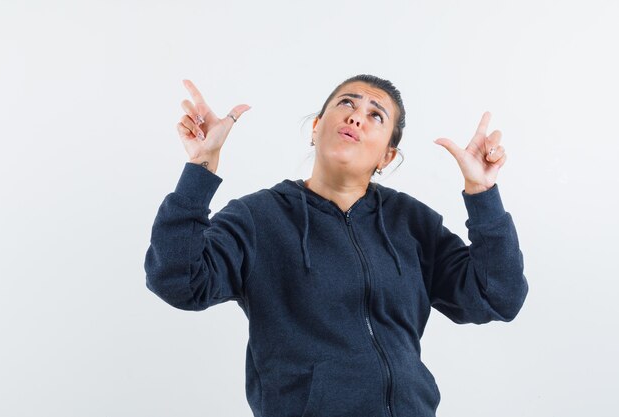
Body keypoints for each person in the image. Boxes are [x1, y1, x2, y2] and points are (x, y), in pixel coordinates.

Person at [144, 74, 528, 417]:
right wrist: (201, 168)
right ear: (315, 128)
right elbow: (177, 279)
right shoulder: (258, 218)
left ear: (387, 156)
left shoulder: (412, 223)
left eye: (376, 115)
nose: (356, 116)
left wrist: (483, 194)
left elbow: (498, 296)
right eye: (347, 103)